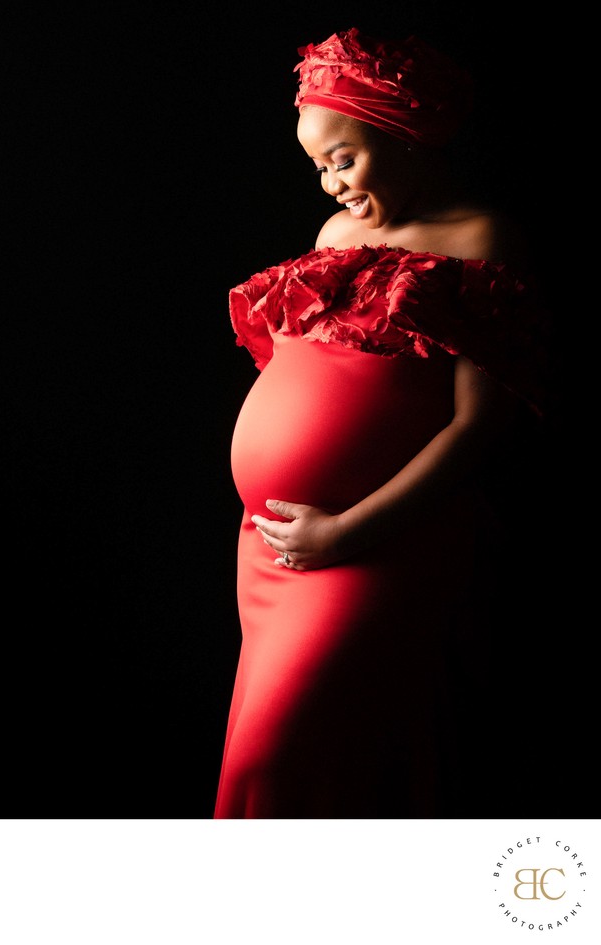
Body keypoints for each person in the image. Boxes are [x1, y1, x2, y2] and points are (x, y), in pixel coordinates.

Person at [213, 28, 551, 818]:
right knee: (301, 749)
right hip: (272, 549)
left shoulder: (480, 240)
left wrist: (347, 530)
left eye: (344, 158)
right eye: (317, 166)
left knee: (299, 742)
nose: (329, 184)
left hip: (376, 541)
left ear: (405, 134)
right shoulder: (335, 239)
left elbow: (478, 427)